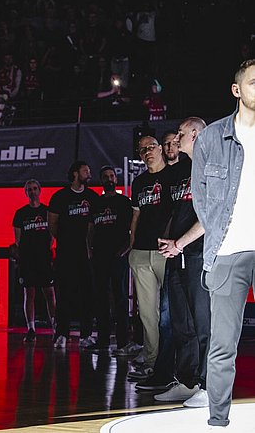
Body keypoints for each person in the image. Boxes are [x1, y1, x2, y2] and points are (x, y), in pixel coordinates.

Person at [192, 59, 255, 427]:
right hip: (228, 252)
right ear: (237, 89)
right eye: (254, 82)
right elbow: (200, 197)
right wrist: (217, 233)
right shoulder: (212, 138)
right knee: (222, 345)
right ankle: (218, 421)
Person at [153, 117, 209, 407]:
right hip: (178, 256)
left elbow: (210, 216)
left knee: (203, 324)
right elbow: (178, 212)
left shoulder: (211, 165)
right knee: (181, 323)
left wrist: (180, 243)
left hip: (199, 255)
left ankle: (208, 386)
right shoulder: (185, 171)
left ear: (195, 134)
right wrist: (170, 241)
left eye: (181, 134)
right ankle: (188, 382)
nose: (176, 139)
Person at [127, 136, 174, 379]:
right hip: (141, 253)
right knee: (147, 312)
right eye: (142, 150)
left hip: (166, 251)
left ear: (161, 149)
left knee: (172, 312)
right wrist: (132, 246)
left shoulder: (174, 175)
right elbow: (135, 216)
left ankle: (175, 365)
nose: (147, 152)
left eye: (151, 147)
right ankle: (152, 361)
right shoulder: (138, 182)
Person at [47, 161, 99, 349]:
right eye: (86, 170)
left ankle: (86, 335)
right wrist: (65, 241)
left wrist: (88, 246)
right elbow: (52, 224)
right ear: (75, 173)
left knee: (87, 294)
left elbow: (94, 225)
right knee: (64, 294)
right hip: (65, 254)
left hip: (85, 254)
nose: (89, 173)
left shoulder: (92, 197)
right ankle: (62, 333)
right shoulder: (60, 197)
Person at [88, 166, 132, 351]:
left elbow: (133, 227)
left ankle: (122, 342)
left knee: (120, 298)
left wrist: (126, 249)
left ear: (116, 179)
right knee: (101, 298)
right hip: (100, 256)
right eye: (105, 176)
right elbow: (90, 229)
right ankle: (103, 340)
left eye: (111, 176)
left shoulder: (124, 202)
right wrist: (89, 250)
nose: (109, 179)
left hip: (119, 255)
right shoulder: (96, 203)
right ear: (101, 180)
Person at [12, 179, 56, 342]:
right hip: (28, 260)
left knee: (49, 293)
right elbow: (18, 240)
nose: (32, 192)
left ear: (39, 190)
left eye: (35, 188)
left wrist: (44, 250)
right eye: (29, 189)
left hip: (44, 259)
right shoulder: (20, 214)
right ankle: (31, 329)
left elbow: (52, 235)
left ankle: (55, 327)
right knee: (29, 293)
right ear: (26, 193)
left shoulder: (47, 211)